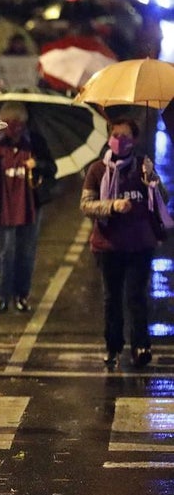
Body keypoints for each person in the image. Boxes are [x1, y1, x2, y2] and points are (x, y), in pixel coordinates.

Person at [80, 117, 166, 371]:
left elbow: (163, 200)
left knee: (136, 296)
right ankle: (113, 347)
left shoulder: (143, 166)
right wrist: (112, 206)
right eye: (116, 135)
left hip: (140, 244)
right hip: (108, 246)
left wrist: (153, 181)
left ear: (135, 140)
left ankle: (141, 346)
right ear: (109, 138)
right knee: (112, 299)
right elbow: (85, 205)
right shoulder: (97, 170)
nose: (120, 140)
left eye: (126, 136)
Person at [0, 102, 57, 313]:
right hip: (3, 206)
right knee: (4, 252)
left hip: (30, 206)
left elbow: (52, 168)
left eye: (18, 123)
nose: (13, 128)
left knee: (26, 253)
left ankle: (21, 295)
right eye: (8, 123)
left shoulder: (35, 142)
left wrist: (38, 165)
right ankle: (2, 295)